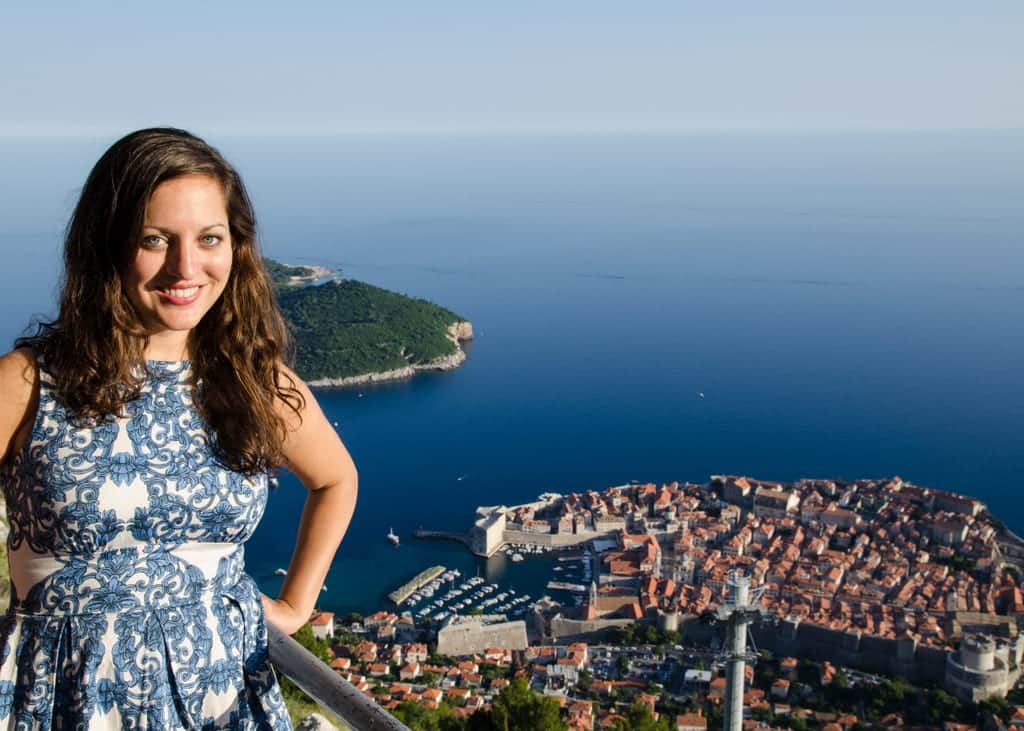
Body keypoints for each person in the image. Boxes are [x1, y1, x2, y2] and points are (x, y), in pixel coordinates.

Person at [0, 128, 358, 729]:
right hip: (67, 698)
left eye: (209, 238)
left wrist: (296, 605)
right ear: (107, 246)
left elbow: (336, 480)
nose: (185, 267)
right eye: (154, 240)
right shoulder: (29, 382)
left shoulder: (256, 382)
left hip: (222, 696)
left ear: (235, 248)